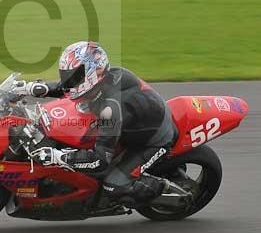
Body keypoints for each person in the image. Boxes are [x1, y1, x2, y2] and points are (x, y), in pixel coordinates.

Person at [13, 40, 177, 204]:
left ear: (91, 74)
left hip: (153, 140)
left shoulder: (110, 109)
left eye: (73, 76)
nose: (67, 81)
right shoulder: (100, 82)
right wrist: (30, 88)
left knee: (114, 186)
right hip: (135, 121)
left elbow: (99, 160)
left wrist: (58, 157)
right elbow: (67, 87)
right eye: (66, 75)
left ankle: (164, 188)